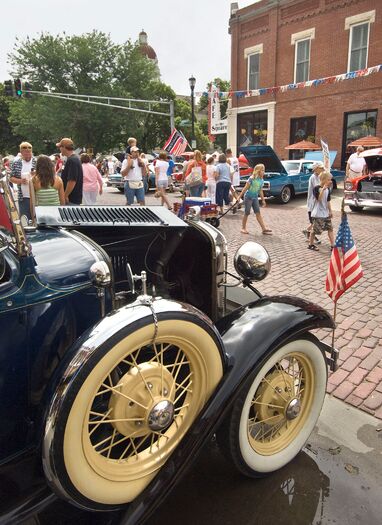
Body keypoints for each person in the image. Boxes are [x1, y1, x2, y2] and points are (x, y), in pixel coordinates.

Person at [236, 163, 272, 235]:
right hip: (248, 197)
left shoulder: (261, 180)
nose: (263, 172)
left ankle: (263, 229)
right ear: (258, 171)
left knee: (258, 213)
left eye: (264, 170)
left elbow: (260, 190)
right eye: (262, 170)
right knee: (247, 213)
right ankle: (243, 228)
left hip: (255, 198)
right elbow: (245, 188)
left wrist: (263, 200)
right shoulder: (251, 178)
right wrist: (239, 197)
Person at [307, 170, 334, 251]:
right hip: (318, 214)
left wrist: (330, 211)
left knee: (330, 229)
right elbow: (319, 199)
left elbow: (328, 201)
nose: (330, 181)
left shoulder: (328, 190)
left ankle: (333, 245)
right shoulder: (316, 188)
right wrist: (323, 189)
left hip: (325, 213)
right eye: (329, 179)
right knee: (315, 230)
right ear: (323, 180)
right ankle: (311, 244)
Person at [10, 141, 37, 221]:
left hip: (37, 195)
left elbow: (43, 177)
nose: (28, 154)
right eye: (25, 153)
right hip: (23, 196)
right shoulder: (16, 163)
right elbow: (11, 178)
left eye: (29, 152)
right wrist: (20, 181)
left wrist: (35, 175)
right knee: (25, 219)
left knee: (37, 219)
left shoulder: (36, 162)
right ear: (21, 152)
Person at [56, 138, 83, 205]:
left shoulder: (72, 160)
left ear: (64, 147)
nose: (59, 149)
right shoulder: (73, 159)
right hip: (73, 198)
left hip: (71, 199)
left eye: (60, 147)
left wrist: (65, 195)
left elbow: (72, 181)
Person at [303, 161, 324, 244]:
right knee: (314, 221)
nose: (322, 169)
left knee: (314, 221)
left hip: (316, 202)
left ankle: (307, 231)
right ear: (316, 169)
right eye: (321, 168)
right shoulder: (313, 177)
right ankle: (311, 237)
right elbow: (318, 188)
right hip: (313, 202)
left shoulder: (319, 176)